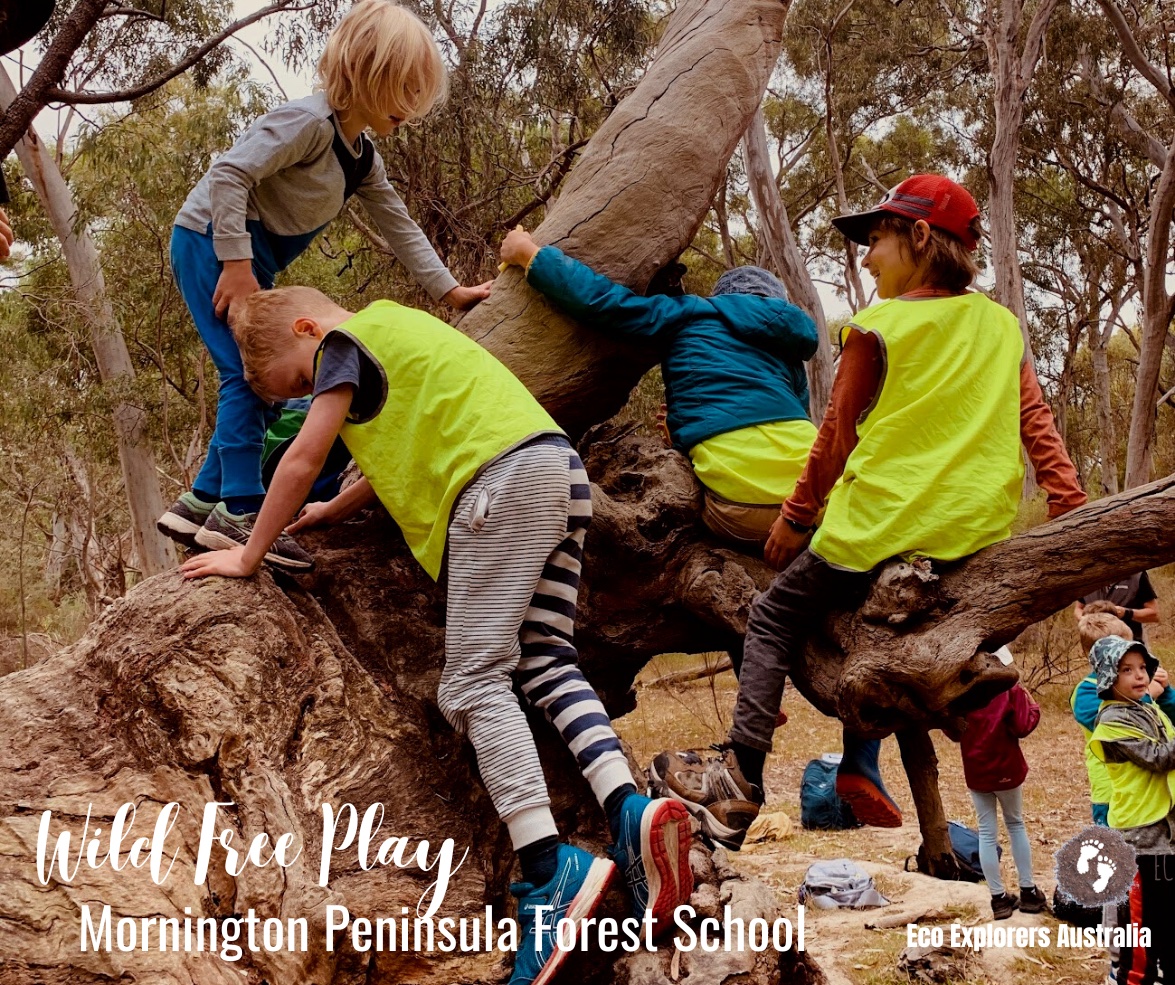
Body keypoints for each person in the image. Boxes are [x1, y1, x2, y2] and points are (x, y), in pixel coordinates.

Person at [180, 286, 694, 985]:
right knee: (544, 657)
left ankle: (550, 870)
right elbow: (426, 427)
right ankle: (628, 808)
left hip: (497, 488)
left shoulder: (341, 346)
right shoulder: (402, 324)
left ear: (308, 329)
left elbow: (302, 456)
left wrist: (248, 553)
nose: (311, 391)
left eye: (301, 381)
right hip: (553, 469)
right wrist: (339, 505)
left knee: (472, 681)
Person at [641, 174, 1087, 849]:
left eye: (875, 239)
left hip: (873, 527)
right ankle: (871, 766)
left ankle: (740, 778)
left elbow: (835, 435)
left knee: (770, 616)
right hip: (970, 533)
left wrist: (795, 517)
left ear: (917, 236)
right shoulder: (1000, 325)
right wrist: (1068, 507)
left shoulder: (875, 326)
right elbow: (1035, 421)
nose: (867, 257)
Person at [498, 228, 901, 839]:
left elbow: (604, 303)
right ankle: (859, 763)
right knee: (839, 602)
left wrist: (534, 259)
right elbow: (791, 412)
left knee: (719, 561)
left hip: (737, 503)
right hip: (817, 496)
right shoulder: (789, 346)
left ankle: (755, 693)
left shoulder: (691, 313)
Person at [159, 0, 491, 570]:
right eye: (403, 87)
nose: (411, 105)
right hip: (212, 240)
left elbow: (399, 224)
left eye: (420, 91)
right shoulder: (307, 124)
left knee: (255, 378)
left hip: (250, 253)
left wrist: (449, 290)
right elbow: (230, 174)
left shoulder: (362, 160)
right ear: (364, 75)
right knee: (250, 379)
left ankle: (199, 503)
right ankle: (240, 509)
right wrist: (236, 263)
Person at [1073, 610, 1172, 985]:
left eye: (1142, 667)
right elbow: (1158, 756)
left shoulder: (1147, 708)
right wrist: (1156, 696)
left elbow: (1168, 725)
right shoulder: (1108, 714)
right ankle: (1124, 970)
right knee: (1132, 912)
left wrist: (1161, 695)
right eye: (1127, 670)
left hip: (1162, 826)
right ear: (1107, 677)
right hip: (1128, 824)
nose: (1140, 675)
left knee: (1160, 914)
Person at [947, 679, 1046, 920]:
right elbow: (1023, 726)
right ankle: (1028, 891)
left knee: (986, 832)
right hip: (1007, 768)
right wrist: (1034, 707)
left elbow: (953, 731)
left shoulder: (962, 688)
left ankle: (998, 899)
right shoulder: (1007, 687)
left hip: (976, 769)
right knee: (1015, 823)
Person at [1074, 571, 1160, 644]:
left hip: (1129, 644)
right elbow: (1078, 608)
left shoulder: (1136, 575)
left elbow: (1154, 614)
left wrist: (1126, 613)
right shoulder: (1087, 576)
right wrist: (1085, 620)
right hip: (1096, 645)